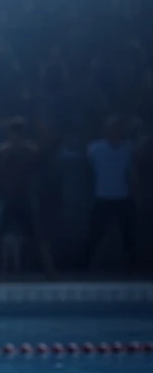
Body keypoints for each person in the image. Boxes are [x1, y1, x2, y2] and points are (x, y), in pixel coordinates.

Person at [0, 118, 56, 277]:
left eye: (18, 134)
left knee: (39, 236)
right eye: (13, 134)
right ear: (9, 135)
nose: (15, 138)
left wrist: (42, 131)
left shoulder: (28, 150)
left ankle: (51, 271)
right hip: (7, 199)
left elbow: (46, 148)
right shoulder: (2, 150)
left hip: (24, 198)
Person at [81, 116, 138, 271]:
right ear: (106, 130)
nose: (115, 131)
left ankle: (131, 266)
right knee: (95, 234)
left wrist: (134, 191)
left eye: (118, 128)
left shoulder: (128, 148)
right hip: (103, 197)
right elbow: (88, 169)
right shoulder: (95, 148)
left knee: (128, 234)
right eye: (112, 128)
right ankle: (84, 265)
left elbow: (132, 172)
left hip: (123, 197)